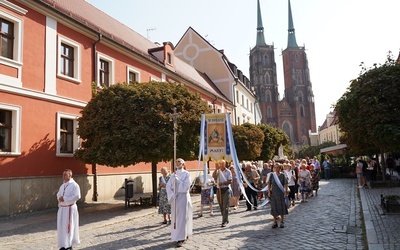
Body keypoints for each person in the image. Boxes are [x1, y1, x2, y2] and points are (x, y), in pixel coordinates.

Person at [166, 158, 193, 247]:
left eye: (179, 162)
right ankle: (176, 236)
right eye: (176, 162)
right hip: (175, 198)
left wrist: (178, 182)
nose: (178, 163)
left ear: (183, 164)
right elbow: (168, 186)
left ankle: (181, 238)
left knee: (182, 217)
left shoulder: (186, 174)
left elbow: (186, 186)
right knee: (175, 218)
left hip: (183, 197)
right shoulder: (173, 175)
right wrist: (172, 194)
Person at [57, 169, 81, 250]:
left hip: (70, 209)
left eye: (65, 175)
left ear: (70, 175)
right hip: (62, 209)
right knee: (61, 227)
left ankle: (69, 244)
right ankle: (63, 244)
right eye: (63, 174)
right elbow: (59, 194)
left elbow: (77, 196)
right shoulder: (63, 185)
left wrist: (65, 198)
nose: (63, 176)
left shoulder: (74, 185)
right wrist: (59, 198)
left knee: (69, 226)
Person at [267, 163, 288, 228]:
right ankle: (275, 221)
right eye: (275, 167)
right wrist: (269, 192)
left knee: (281, 206)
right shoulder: (272, 175)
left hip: (281, 193)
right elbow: (269, 183)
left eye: (278, 167)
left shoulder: (282, 175)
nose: (276, 169)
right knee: (274, 207)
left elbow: (285, 184)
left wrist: (285, 192)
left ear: (280, 168)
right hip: (274, 193)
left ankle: (281, 221)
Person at [213, 160, 232, 227]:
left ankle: (224, 221)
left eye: (222, 163)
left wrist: (223, 183)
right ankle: (225, 218)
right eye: (220, 163)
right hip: (219, 190)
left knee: (225, 206)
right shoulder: (218, 171)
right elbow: (213, 176)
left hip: (225, 189)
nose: (221, 165)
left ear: (225, 164)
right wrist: (216, 169)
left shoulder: (228, 171)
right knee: (221, 206)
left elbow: (230, 181)